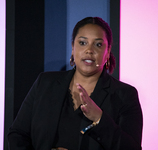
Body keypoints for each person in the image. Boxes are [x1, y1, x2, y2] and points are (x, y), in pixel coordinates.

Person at [8, 17, 143, 150]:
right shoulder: (45, 83)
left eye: (98, 44)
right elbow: (17, 135)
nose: (89, 50)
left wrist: (99, 118)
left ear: (107, 52)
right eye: (83, 43)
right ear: (73, 48)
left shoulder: (124, 95)